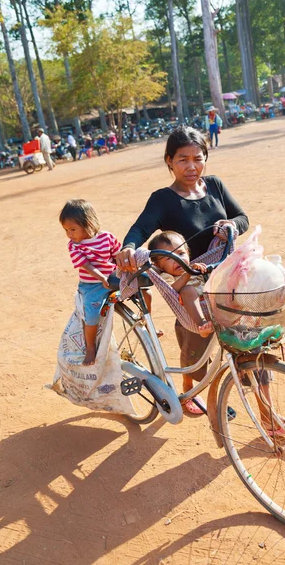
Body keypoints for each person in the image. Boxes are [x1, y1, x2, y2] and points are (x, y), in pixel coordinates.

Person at [115, 125, 249, 414]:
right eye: (183, 159)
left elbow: (242, 217)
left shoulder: (214, 185)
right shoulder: (163, 199)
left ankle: (270, 418)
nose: (192, 166)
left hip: (223, 277)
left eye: (198, 158)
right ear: (169, 161)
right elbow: (140, 228)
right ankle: (189, 392)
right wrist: (129, 246)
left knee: (249, 345)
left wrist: (231, 226)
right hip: (190, 289)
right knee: (194, 348)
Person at [59, 199, 121, 365]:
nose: (69, 234)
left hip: (114, 278)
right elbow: (85, 265)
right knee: (92, 316)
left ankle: (145, 325)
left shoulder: (107, 238)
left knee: (143, 291)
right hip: (92, 285)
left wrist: (123, 271)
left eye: (73, 229)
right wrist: (102, 277)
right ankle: (90, 348)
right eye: (66, 230)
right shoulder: (74, 246)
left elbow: (118, 255)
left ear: (88, 223)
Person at [148, 231, 213, 338]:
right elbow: (171, 290)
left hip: (211, 304)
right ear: (158, 265)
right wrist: (188, 273)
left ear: (188, 253)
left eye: (181, 254)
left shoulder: (194, 267)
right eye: (169, 258)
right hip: (192, 311)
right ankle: (202, 324)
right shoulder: (166, 276)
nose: (178, 260)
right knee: (187, 290)